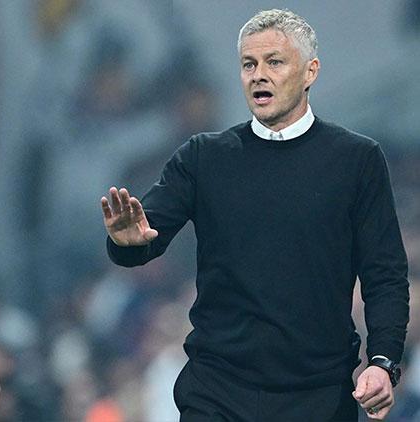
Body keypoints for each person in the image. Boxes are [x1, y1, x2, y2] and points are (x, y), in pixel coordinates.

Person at [100, 9, 409, 421]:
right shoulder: (202, 157)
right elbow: (144, 236)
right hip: (216, 392)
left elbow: (384, 274)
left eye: (274, 62)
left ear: (310, 71)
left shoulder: (357, 160)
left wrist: (383, 360)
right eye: (249, 64)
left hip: (316, 395)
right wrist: (126, 243)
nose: (258, 75)